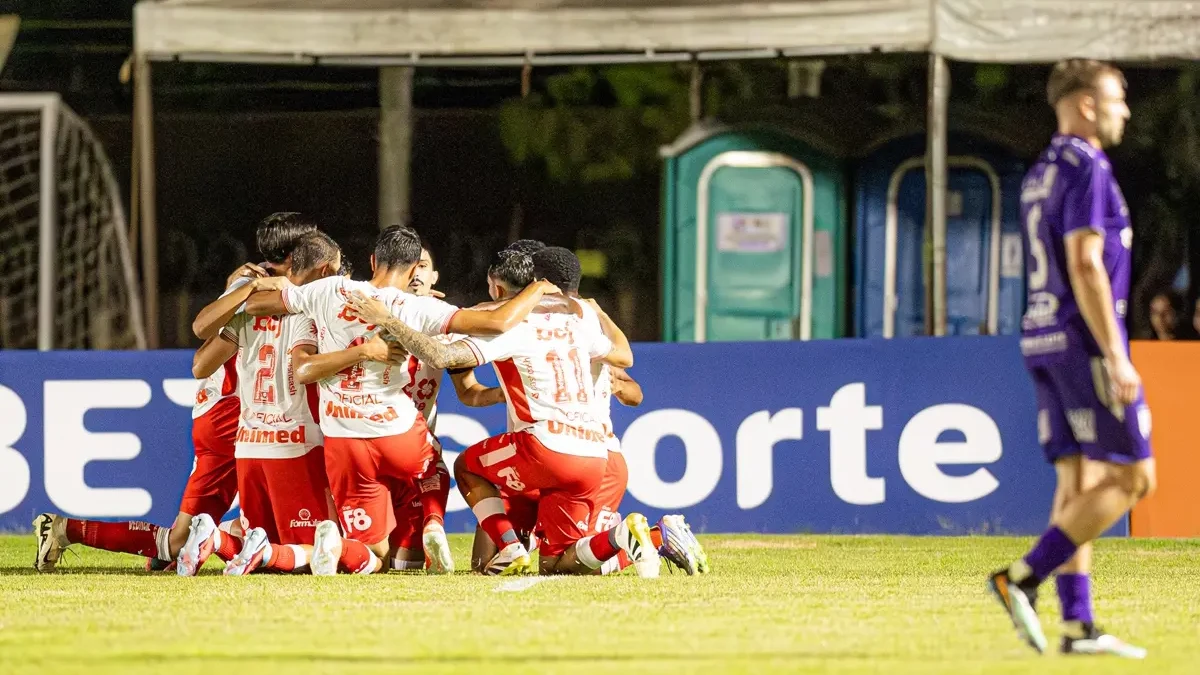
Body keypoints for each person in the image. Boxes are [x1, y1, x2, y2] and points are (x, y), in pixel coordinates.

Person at [244, 224, 560, 575]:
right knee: (434, 462)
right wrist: (537, 289)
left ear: (373, 259)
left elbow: (256, 305)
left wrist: (274, 285)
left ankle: (332, 543)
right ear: (413, 271)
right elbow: (498, 323)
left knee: (372, 551)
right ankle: (433, 522)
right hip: (397, 433)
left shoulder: (329, 289)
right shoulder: (418, 308)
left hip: (344, 442)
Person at [33, 213, 319, 573]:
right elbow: (203, 345)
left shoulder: (256, 282)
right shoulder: (262, 287)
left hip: (237, 415)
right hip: (234, 416)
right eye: (313, 246)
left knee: (203, 537)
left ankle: (180, 549)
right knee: (189, 539)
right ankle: (70, 528)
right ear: (296, 254)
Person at [347, 246, 655, 577]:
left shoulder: (510, 326)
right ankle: (629, 536)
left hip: (545, 448)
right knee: (556, 566)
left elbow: (444, 357)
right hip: (593, 455)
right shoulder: (580, 319)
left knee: (466, 465)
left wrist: (395, 318)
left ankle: (510, 545)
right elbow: (625, 359)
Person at [990, 59, 1154, 658]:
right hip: (1082, 339)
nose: (1126, 110)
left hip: (1040, 334)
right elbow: (1085, 263)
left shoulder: (1041, 172)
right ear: (1086, 104)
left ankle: (1079, 626)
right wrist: (1116, 352)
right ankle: (1021, 579)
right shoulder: (1088, 166)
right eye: (1118, 98)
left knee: (1078, 481)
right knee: (1135, 477)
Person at [183, 231, 347, 576]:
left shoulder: (248, 311)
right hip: (295, 446)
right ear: (325, 269)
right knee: (323, 549)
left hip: (248, 449)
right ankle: (220, 538)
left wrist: (245, 293)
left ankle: (215, 538)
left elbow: (200, 366)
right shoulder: (312, 309)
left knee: (264, 551)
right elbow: (305, 368)